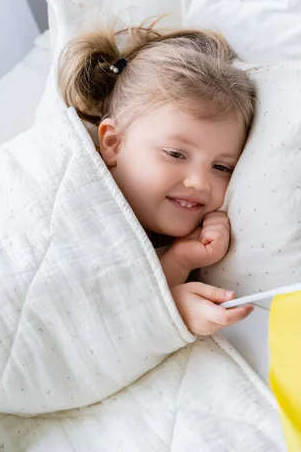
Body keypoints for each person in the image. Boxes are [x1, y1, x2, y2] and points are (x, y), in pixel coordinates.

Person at [58, 20, 256, 336]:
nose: (200, 183)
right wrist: (172, 312)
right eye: (176, 154)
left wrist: (180, 260)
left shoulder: (166, 240)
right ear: (112, 143)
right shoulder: (73, 196)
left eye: (222, 167)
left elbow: (117, 313)